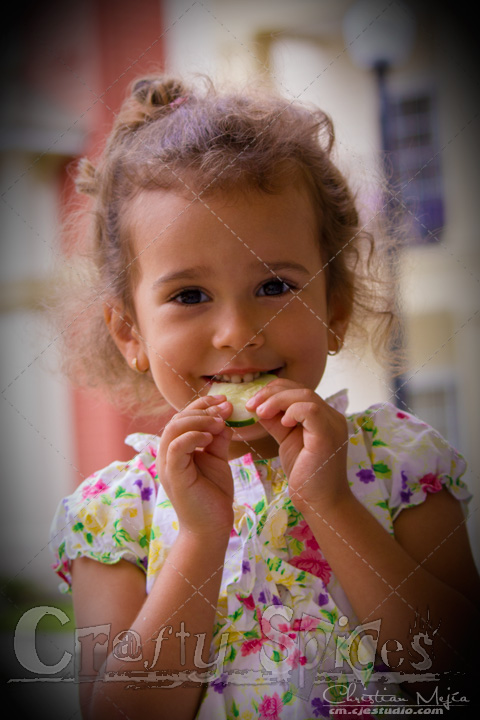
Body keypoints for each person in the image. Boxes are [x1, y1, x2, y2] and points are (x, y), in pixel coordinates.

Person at [50, 74, 479, 720]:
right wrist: (199, 537)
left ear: (334, 307)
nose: (238, 332)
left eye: (275, 285)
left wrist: (332, 502)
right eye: (190, 296)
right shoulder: (118, 515)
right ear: (130, 333)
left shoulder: (401, 464)